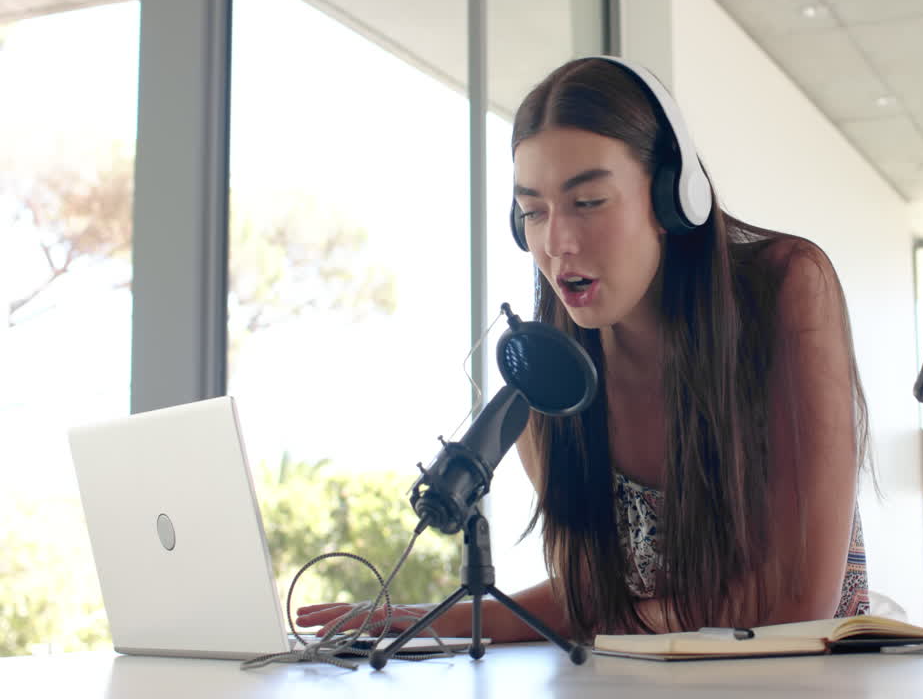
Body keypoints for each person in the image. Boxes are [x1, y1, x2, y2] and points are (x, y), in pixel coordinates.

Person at [297, 56, 872, 642]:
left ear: (672, 198)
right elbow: (587, 597)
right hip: (642, 680)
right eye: (533, 212)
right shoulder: (547, 376)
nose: (557, 243)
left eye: (589, 201)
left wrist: (616, 622)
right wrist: (430, 620)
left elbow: (795, 603)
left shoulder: (787, 288)